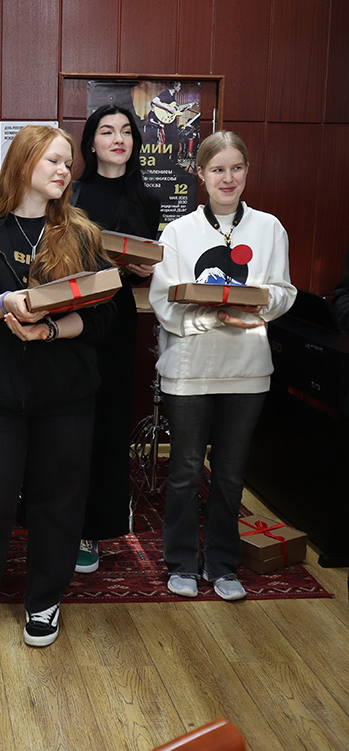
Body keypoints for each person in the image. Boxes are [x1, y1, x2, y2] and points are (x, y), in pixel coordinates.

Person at [0, 125, 114, 646]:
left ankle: (44, 599)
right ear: (23, 164)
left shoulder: (82, 234)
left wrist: (49, 330)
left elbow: (102, 318)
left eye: (67, 162)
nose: (65, 170)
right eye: (53, 161)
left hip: (67, 395)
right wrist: (4, 304)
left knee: (57, 500)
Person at [149, 131, 296, 601]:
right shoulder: (178, 232)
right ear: (201, 174)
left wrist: (258, 304)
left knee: (231, 474)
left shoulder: (269, 228)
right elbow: (162, 300)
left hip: (247, 369)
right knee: (186, 470)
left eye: (236, 168)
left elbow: (284, 291)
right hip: (189, 369)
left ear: (247, 171)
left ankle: (222, 564)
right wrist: (212, 317)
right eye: (217, 169)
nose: (227, 178)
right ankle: (181, 562)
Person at [70, 104, 161, 574]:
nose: (118, 138)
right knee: (71, 423)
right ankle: (63, 520)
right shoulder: (72, 193)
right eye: (107, 131)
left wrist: (143, 269)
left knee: (109, 425)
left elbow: (145, 266)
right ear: (91, 143)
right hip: (74, 316)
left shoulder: (146, 198)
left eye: (126, 131)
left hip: (119, 318)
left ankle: (95, 528)